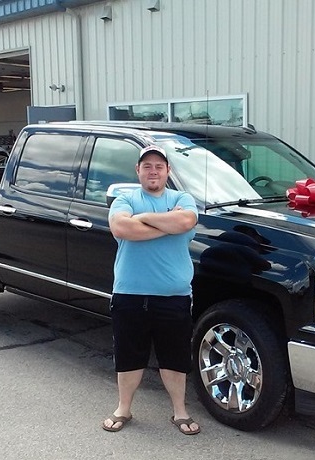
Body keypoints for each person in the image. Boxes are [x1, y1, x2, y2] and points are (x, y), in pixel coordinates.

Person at [102, 145, 200, 435]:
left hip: (174, 296)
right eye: (147, 166)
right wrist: (168, 223)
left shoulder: (182, 198)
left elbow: (186, 220)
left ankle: (180, 412)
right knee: (129, 355)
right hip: (130, 295)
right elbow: (122, 228)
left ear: (168, 171)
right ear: (138, 171)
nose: (153, 170)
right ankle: (124, 409)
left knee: (175, 357)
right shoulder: (125, 198)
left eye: (159, 165)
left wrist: (142, 218)